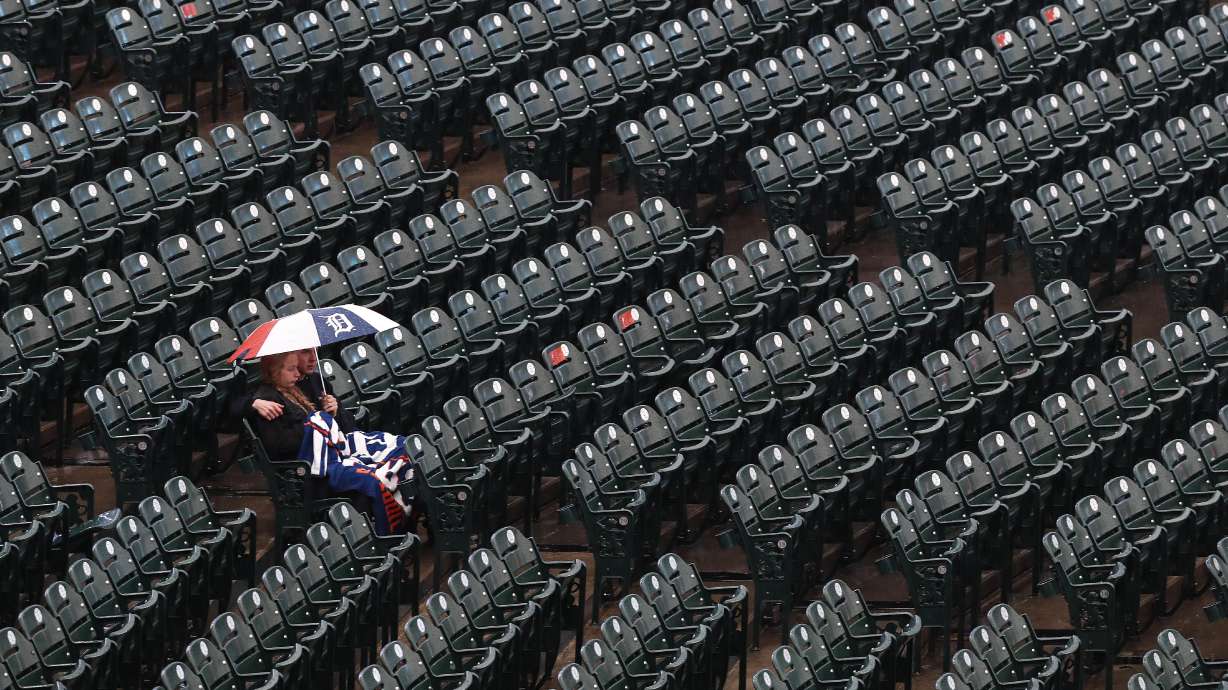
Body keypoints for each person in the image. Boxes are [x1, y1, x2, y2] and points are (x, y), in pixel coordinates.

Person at [248, 351, 413, 534]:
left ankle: (407, 514)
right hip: (309, 471)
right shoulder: (268, 400)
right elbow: (279, 446)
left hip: (333, 451)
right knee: (370, 479)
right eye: (291, 369)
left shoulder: (299, 385)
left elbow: (347, 426)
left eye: (296, 368)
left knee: (400, 447)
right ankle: (378, 532)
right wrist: (316, 427)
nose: (297, 373)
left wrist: (334, 413)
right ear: (274, 371)